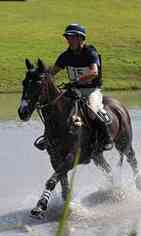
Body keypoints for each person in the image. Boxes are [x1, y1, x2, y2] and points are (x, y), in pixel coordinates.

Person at [37, 23, 113, 151]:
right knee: (55, 107)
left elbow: (94, 72)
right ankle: (48, 136)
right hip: (74, 90)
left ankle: (106, 138)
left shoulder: (90, 52)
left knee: (92, 110)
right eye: (68, 37)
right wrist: (40, 76)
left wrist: (77, 80)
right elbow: (52, 73)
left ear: (81, 38)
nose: (69, 40)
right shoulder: (65, 56)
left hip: (91, 90)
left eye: (73, 37)